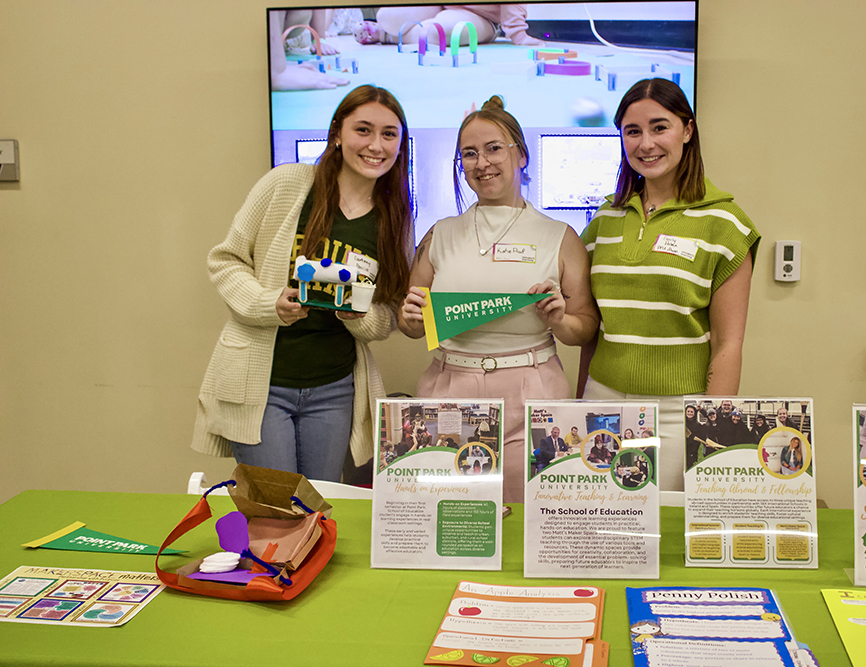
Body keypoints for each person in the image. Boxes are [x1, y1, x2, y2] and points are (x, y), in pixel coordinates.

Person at [191, 85, 414, 483]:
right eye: (363, 130)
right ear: (337, 133)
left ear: (400, 143)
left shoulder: (394, 217)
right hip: (263, 385)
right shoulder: (286, 184)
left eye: (388, 134)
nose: (375, 145)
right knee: (276, 511)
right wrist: (269, 302)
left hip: (333, 389)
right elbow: (224, 260)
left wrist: (357, 316)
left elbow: (390, 313)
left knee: (317, 511)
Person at [398, 96, 599, 502]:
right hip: (449, 386)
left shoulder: (560, 236)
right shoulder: (440, 233)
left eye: (494, 148)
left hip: (532, 394)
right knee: (448, 515)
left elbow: (585, 326)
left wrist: (560, 319)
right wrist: (410, 318)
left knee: (531, 520)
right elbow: (411, 323)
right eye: (469, 154)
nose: (481, 162)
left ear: (520, 155)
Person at [578, 78, 760, 492]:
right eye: (633, 131)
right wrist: (579, 403)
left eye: (660, 127)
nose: (646, 144)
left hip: (679, 416)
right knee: (597, 539)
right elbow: (593, 329)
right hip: (601, 404)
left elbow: (729, 345)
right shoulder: (604, 220)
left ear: (687, 130)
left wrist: (712, 434)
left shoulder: (726, 224)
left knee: (667, 545)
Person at [354, 4, 544, 47]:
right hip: (438, 4)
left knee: (439, 32)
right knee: (386, 15)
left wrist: (518, 33)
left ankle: (388, 37)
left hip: (483, 17)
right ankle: (387, 29)